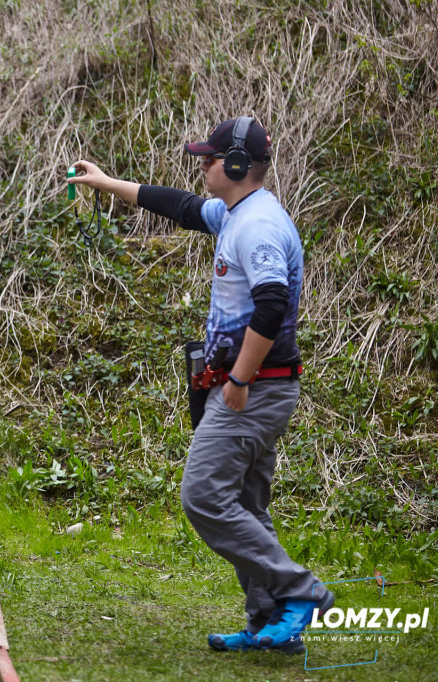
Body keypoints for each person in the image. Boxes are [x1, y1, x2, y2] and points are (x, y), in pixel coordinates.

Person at [68, 117, 333, 653]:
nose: (202, 165)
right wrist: (105, 183)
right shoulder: (237, 213)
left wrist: (238, 379)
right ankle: (271, 626)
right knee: (245, 504)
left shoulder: (258, 226)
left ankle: (301, 592)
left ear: (236, 166)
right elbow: (181, 207)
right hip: (255, 386)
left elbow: (273, 304)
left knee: (204, 497)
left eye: (209, 159)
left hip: (255, 388)